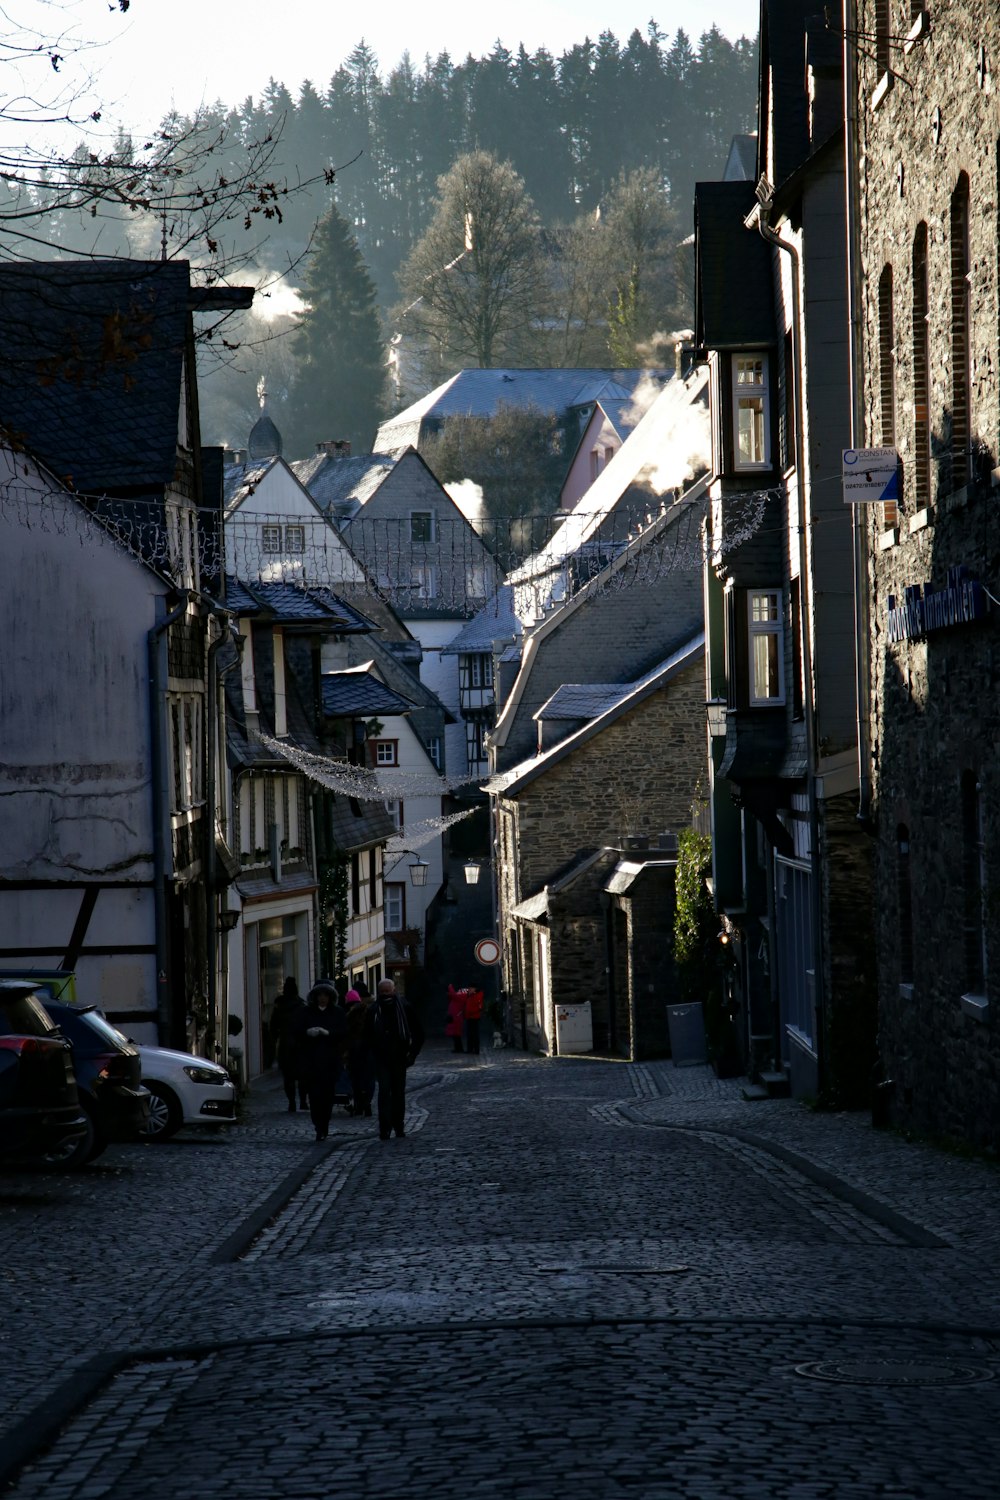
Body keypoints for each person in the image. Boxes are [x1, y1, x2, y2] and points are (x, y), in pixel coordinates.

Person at [363, 977, 424, 1140]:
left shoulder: (404, 1008)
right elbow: (366, 1036)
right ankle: (385, 1128)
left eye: (387, 991)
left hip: (399, 1058)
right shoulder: (374, 1011)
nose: (385, 994)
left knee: (398, 1093)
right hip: (381, 1058)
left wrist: (412, 1054)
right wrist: (370, 1054)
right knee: (384, 1092)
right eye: (382, 992)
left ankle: (398, 1125)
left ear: (394, 991)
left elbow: (418, 1032)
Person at [294, 979, 348, 1141]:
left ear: (330, 996)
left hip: (330, 1061)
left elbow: (343, 1033)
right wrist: (307, 1033)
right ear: (315, 996)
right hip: (311, 1062)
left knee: (328, 1096)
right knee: (315, 1096)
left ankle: (324, 1124)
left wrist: (328, 1034)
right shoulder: (306, 1012)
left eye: (325, 995)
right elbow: (296, 1032)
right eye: (320, 995)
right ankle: (318, 1125)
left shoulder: (337, 1012)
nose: (322, 998)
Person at [271, 976, 307, 1112]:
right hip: (301, 1045)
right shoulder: (302, 1006)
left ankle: (291, 1102)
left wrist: (274, 1040)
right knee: (303, 1076)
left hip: (285, 1045)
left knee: (288, 1077)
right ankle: (303, 1101)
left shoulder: (279, 1007)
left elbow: (273, 1026)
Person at [344, 988, 375, 1117]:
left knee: (356, 1080)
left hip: (354, 1052)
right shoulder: (371, 1012)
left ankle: (359, 1105)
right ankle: (367, 1103)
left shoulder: (349, 1016)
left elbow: (345, 1036)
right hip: (368, 1051)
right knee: (368, 1080)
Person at [463, 986, 485, 1055]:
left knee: (474, 1034)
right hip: (469, 1017)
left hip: (474, 1017)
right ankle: (470, 1049)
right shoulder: (470, 996)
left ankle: (475, 1050)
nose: (469, 990)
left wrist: (470, 1012)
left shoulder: (476, 996)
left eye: (470, 988)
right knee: (470, 1034)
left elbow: (478, 1007)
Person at [445, 984, 466, 1053]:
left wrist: (450, 987)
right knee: (455, 1034)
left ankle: (459, 1048)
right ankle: (458, 1048)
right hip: (455, 1017)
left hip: (456, 1018)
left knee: (456, 1034)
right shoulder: (458, 998)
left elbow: (454, 995)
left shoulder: (459, 997)